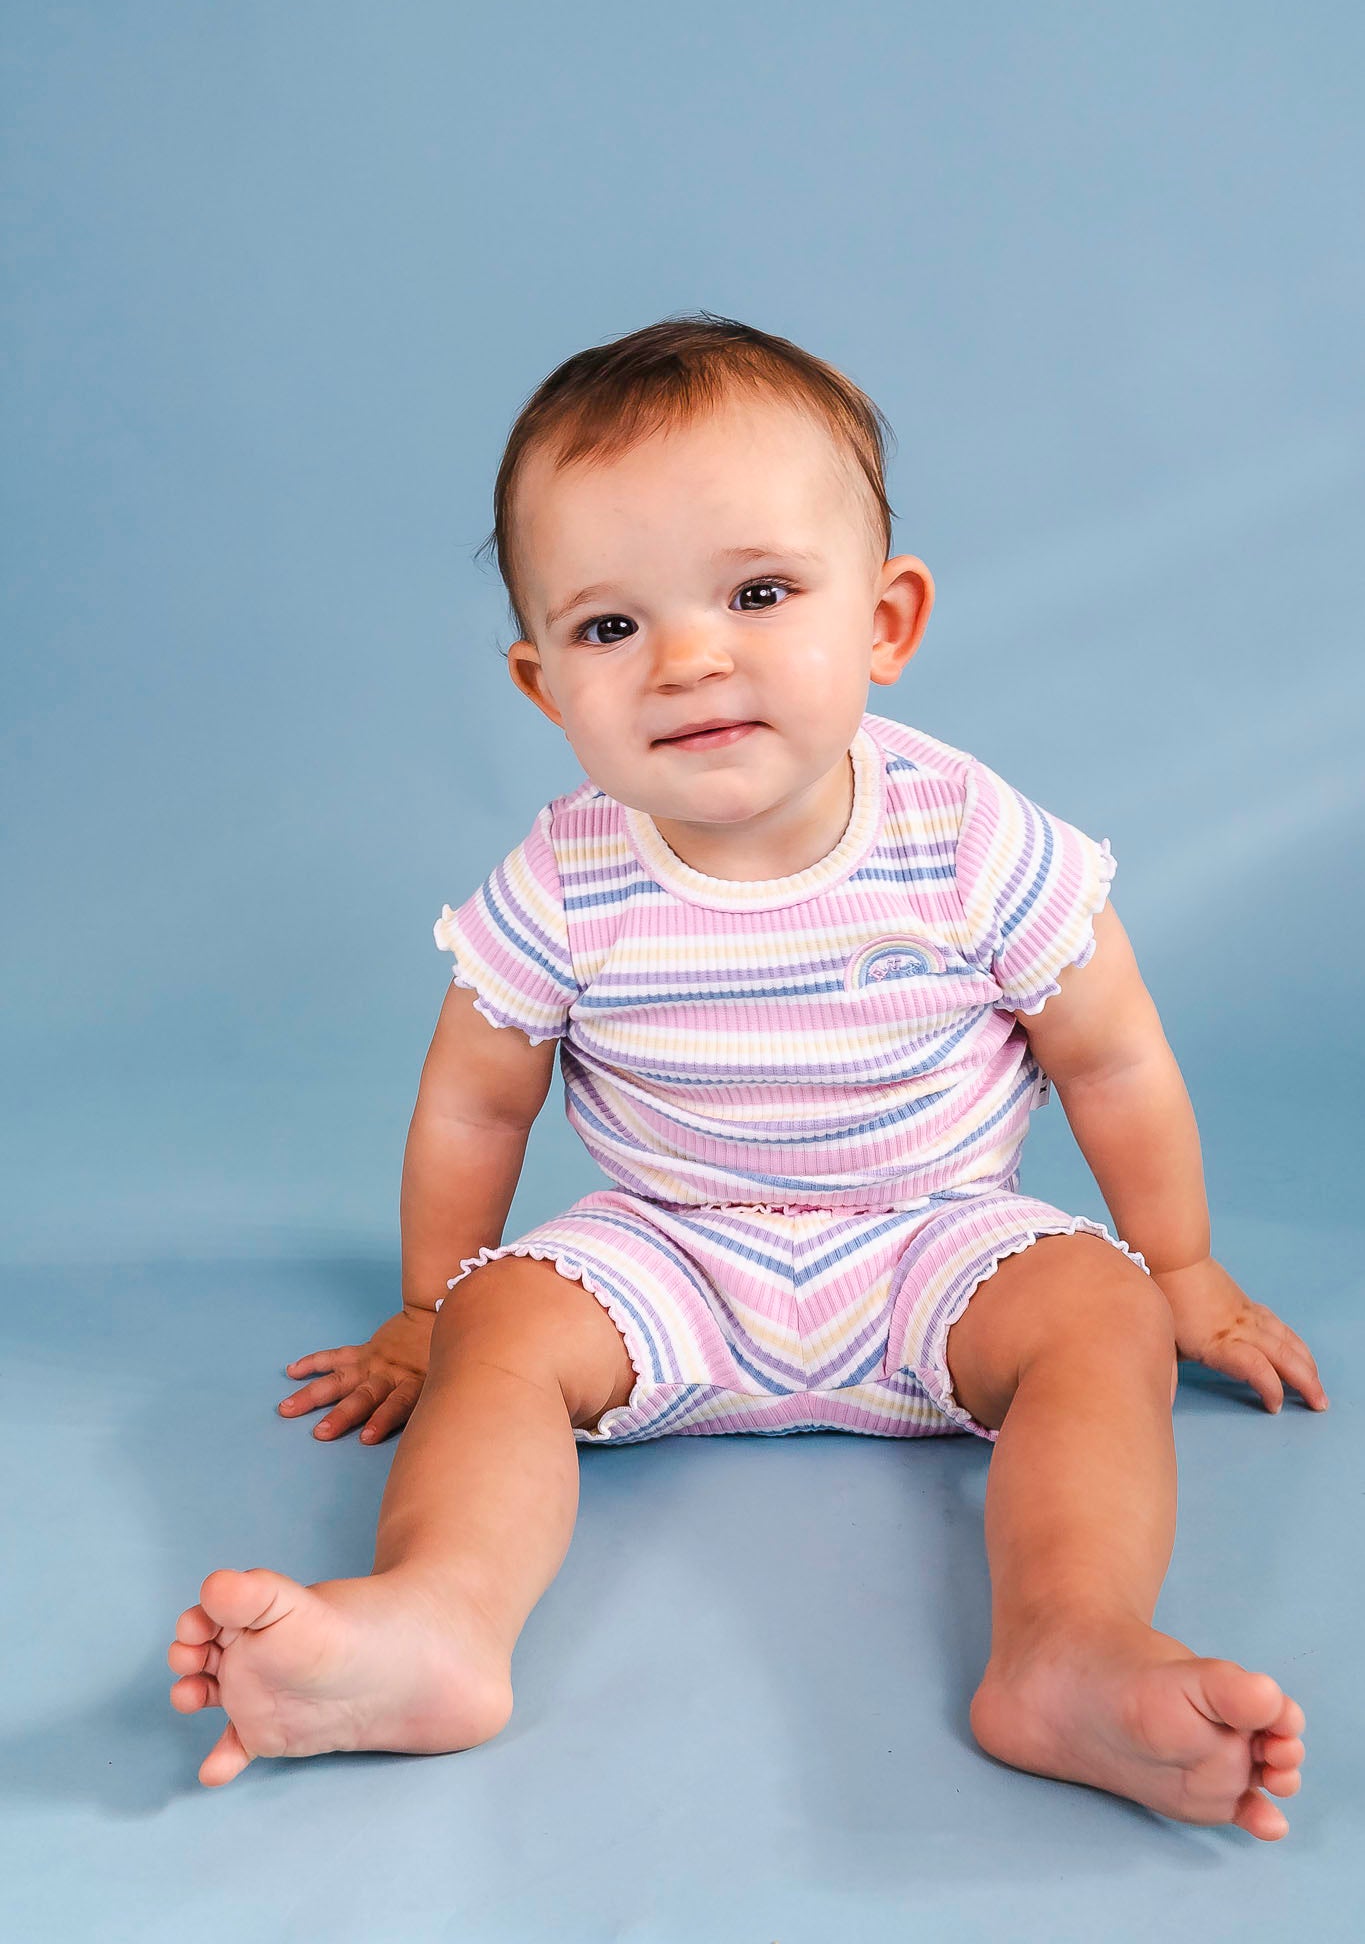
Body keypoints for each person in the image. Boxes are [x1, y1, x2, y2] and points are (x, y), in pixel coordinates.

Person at [166, 314, 1327, 1836]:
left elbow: (1110, 1058)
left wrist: (1179, 1267)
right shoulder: (563, 880)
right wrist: (429, 1304)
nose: (690, 659)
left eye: (760, 594)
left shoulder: (969, 838)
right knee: (502, 1326)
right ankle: (434, 1622)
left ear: (886, 622)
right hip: (668, 1247)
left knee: (1099, 1315)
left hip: (935, 1239)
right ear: (541, 686)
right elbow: (474, 1103)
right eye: (609, 627)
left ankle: (1069, 1647)